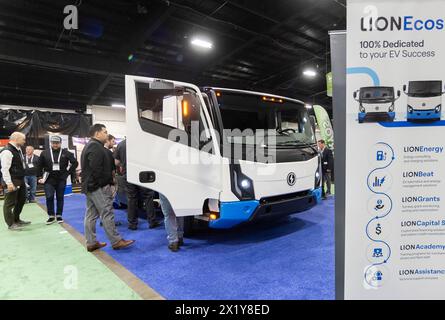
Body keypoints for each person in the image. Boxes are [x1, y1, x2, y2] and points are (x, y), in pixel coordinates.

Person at [81, 123, 134, 252]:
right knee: (107, 213)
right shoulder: (95, 147)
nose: (106, 134)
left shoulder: (91, 146)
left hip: (90, 186)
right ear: (97, 133)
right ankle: (116, 241)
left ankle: (91, 242)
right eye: (105, 132)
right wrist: (105, 184)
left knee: (91, 215)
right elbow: (96, 169)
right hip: (97, 187)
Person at [114, 139, 160, 230]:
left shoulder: (121, 144)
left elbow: (117, 162)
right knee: (148, 197)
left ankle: (132, 224)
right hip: (143, 174)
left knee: (131, 199)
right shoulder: (144, 141)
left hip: (128, 174)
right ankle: (152, 221)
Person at [38, 136, 78, 224]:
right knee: (49, 197)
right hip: (48, 179)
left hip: (61, 179)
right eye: (53, 143)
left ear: (60, 143)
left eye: (57, 143)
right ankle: (51, 216)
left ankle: (59, 215)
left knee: (60, 197)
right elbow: (39, 165)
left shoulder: (66, 153)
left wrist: (68, 172)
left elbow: (75, 163)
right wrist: (40, 177)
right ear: (50, 143)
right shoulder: (45, 153)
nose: (55, 144)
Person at [0, 132, 30, 230]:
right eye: (23, 139)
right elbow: (4, 169)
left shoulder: (18, 149)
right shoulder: (7, 151)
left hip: (20, 179)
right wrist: (9, 183)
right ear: (16, 139)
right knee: (9, 203)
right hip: (12, 180)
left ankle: (16, 219)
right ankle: (11, 224)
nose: (24, 141)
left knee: (21, 200)